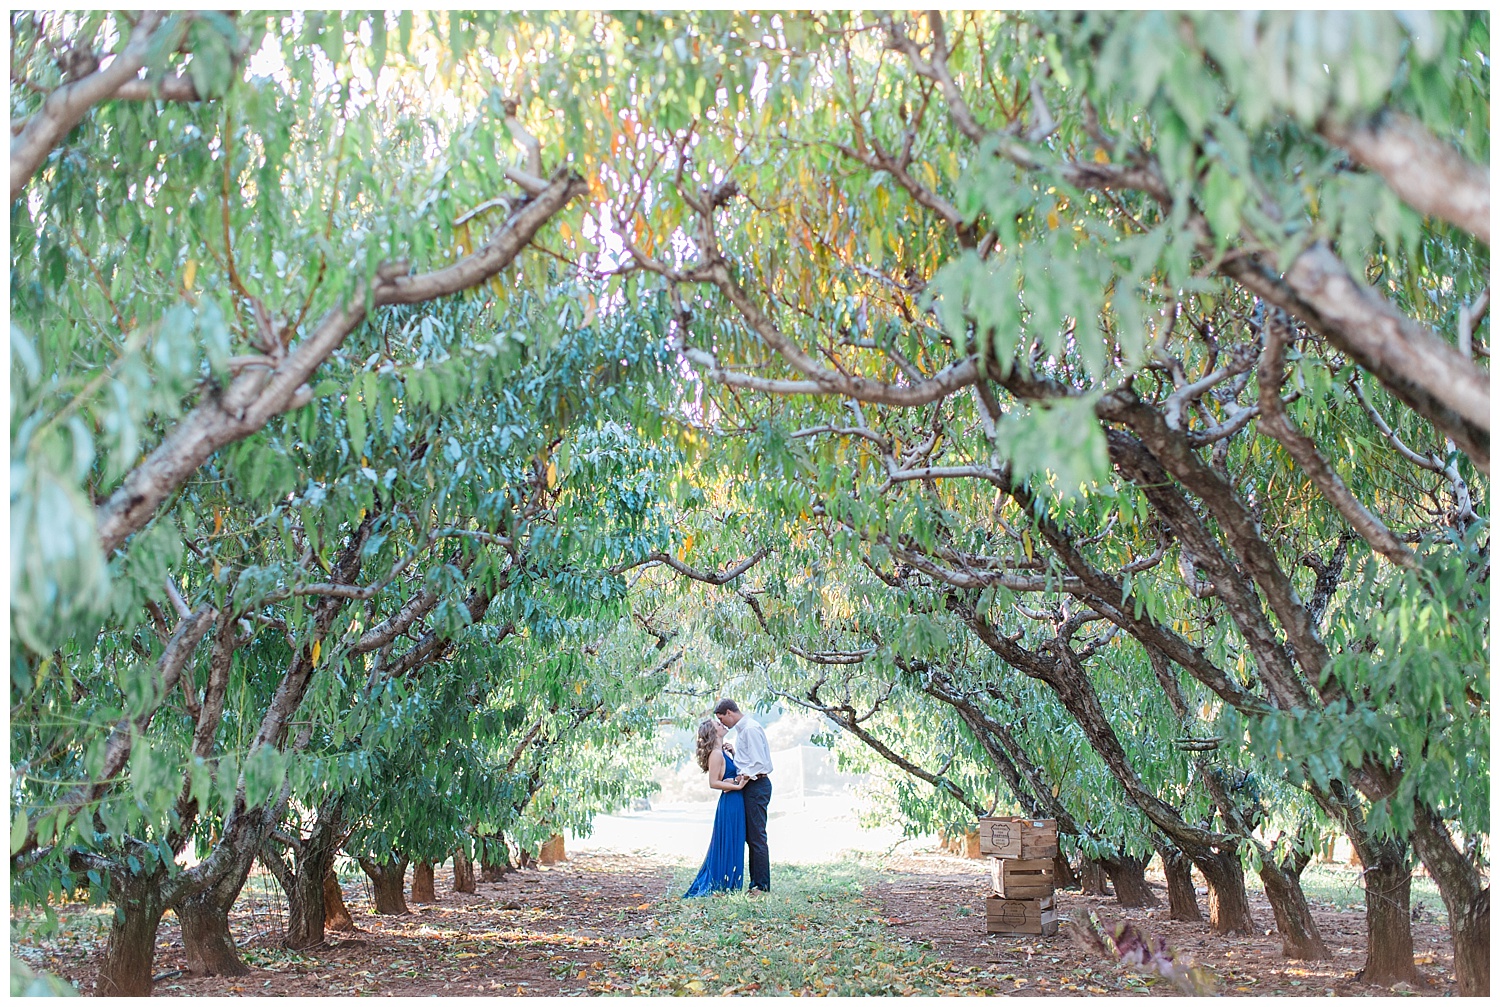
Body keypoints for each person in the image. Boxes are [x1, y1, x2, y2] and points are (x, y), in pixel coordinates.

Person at [682, 716, 749, 897]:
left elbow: (732, 774)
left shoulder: (723, 752)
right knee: (728, 842)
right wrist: (738, 785)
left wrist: (734, 755)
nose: (722, 725)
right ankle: (723, 884)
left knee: (734, 841)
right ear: (714, 732)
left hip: (735, 800)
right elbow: (714, 783)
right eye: (718, 724)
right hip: (730, 803)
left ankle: (730, 884)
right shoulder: (716, 754)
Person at [715, 698, 773, 893]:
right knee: (750, 837)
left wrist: (742, 780)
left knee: (757, 837)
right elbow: (749, 759)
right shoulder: (742, 730)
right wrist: (736, 754)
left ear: (730, 713)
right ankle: (754, 883)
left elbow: (759, 763)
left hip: (757, 786)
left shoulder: (749, 729)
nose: (723, 724)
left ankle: (761, 885)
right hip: (750, 785)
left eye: (722, 719)